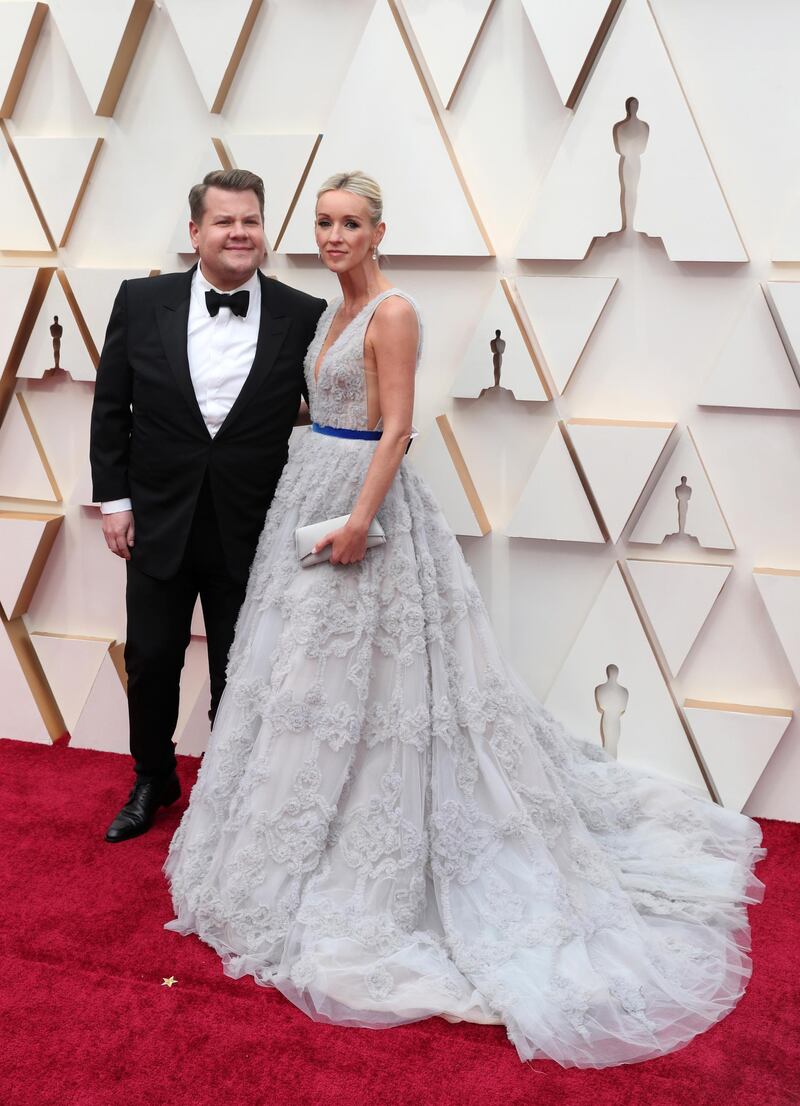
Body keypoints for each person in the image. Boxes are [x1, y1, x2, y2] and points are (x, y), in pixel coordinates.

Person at [163, 171, 764, 1068]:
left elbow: (398, 427)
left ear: (378, 231)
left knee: (382, 684)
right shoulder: (331, 311)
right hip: (313, 488)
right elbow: (323, 405)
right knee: (310, 682)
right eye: (323, 223)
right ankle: (302, 831)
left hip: (364, 506)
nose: (333, 237)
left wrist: (363, 521)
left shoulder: (393, 313)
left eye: (350, 224)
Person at [89, 169, 326, 844]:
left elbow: (325, 403)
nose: (239, 232)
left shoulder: (302, 312)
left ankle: (226, 790)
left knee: (240, 665)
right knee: (152, 658)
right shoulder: (141, 301)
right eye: (224, 221)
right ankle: (153, 777)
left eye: (250, 219)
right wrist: (114, 502)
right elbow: (112, 408)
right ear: (195, 232)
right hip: (156, 515)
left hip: (253, 521)